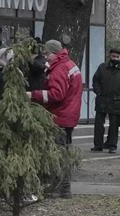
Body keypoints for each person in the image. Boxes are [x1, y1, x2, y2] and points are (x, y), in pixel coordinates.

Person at [27, 39, 83, 198]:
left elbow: (56, 95)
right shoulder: (70, 64)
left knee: (58, 154)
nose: (45, 58)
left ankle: (58, 188)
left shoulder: (59, 69)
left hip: (60, 116)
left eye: (47, 54)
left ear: (54, 52)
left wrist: (33, 95)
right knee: (63, 153)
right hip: (69, 115)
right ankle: (64, 189)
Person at [91, 48, 120, 153]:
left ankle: (112, 146)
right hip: (102, 99)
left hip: (117, 101)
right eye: (113, 56)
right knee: (99, 124)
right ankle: (98, 145)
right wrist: (98, 91)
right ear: (109, 56)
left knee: (114, 125)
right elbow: (95, 80)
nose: (115, 58)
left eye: (117, 57)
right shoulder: (102, 67)